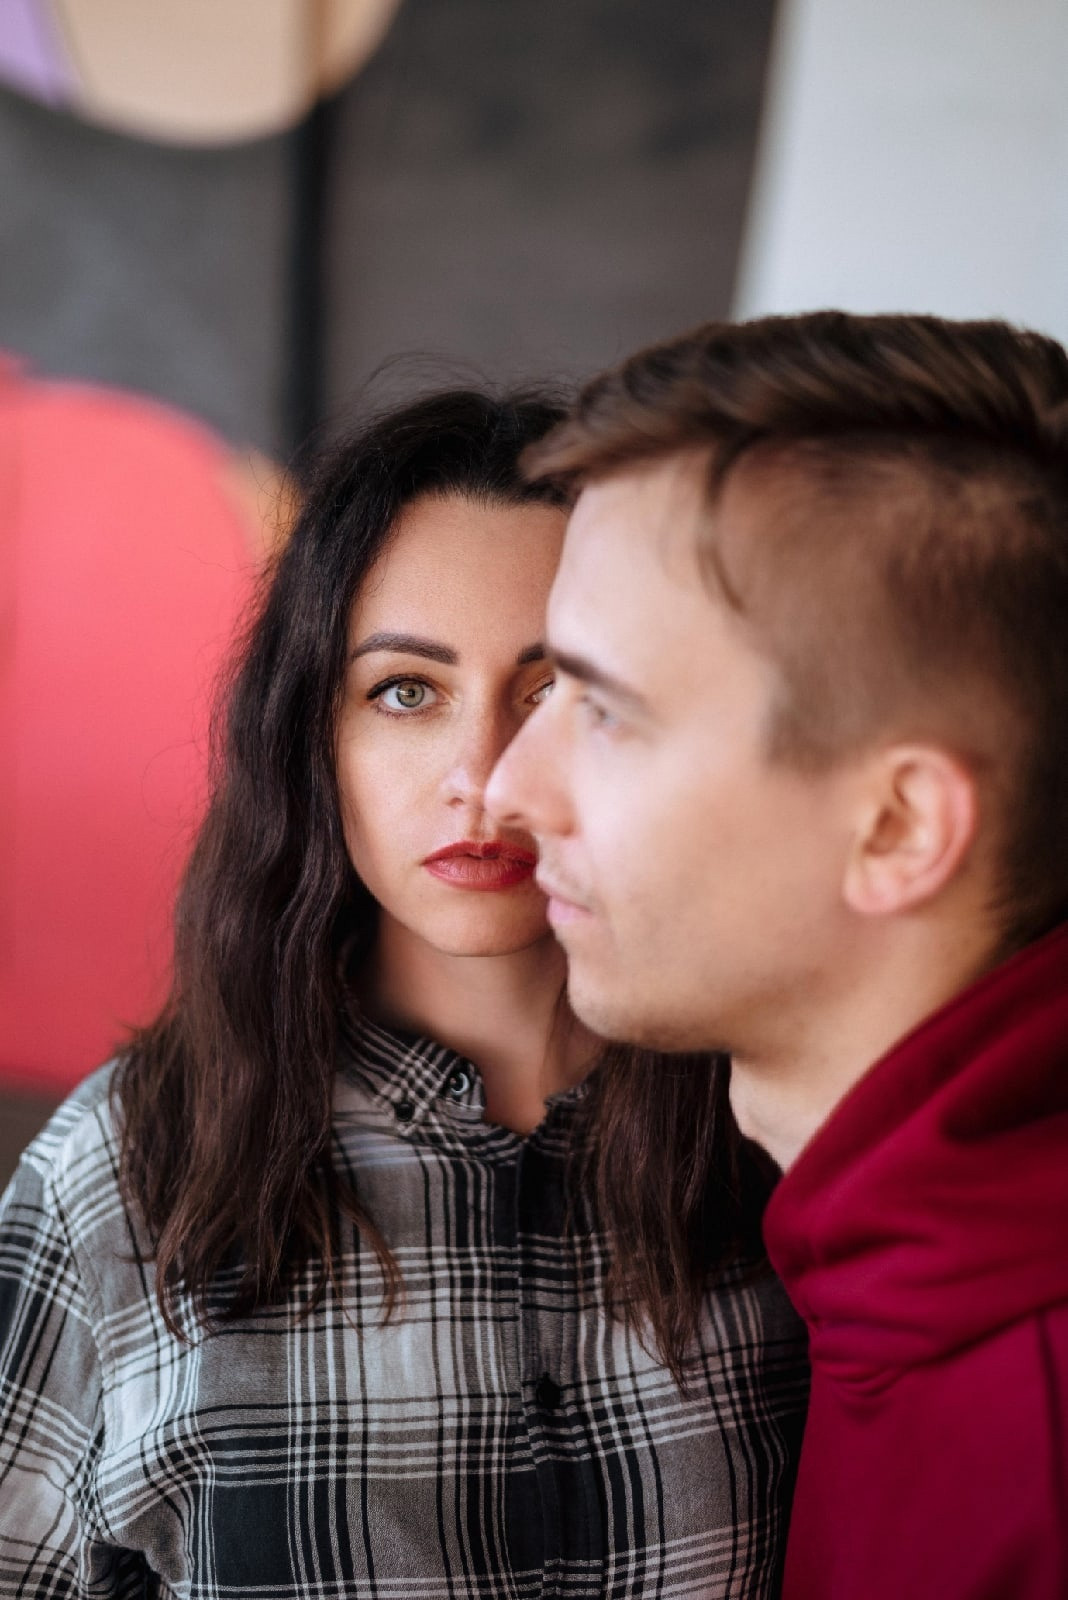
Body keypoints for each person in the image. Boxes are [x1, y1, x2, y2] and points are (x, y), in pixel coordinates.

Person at [0, 389, 808, 1597]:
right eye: (407, 691)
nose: (483, 777)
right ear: (310, 737)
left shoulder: (779, 1120)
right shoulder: (122, 1176)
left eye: (552, 689)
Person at [486, 314, 1068, 1600]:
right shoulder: (880, 1282)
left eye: (605, 709)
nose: (507, 791)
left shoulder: (1036, 1441)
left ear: (896, 827)